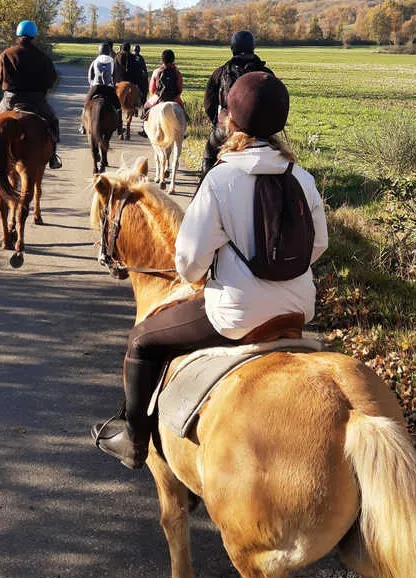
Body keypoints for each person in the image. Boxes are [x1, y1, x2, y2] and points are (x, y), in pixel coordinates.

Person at [91, 71, 329, 469]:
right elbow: (318, 245)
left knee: (142, 341)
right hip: (298, 308)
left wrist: (216, 273)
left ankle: (134, 439)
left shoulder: (220, 179)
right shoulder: (302, 178)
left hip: (235, 315)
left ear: (231, 121)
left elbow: (187, 263)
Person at [201, 29, 273, 177]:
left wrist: (217, 122)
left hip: (228, 126)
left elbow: (209, 103)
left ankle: (204, 180)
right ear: (252, 47)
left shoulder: (220, 72)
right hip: (260, 130)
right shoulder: (266, 73)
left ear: (232, 48)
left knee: (209, 154)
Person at [0, 20, 62, 168]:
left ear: (18, 34)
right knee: (53, 121)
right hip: (36, 100)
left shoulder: (6, 55)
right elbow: (51, 80)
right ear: (33, 36)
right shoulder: (43, 57)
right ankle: (53, 157)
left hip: (10, 100)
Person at [82, 40, 122, 134]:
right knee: (118, 106)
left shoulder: (95, 61)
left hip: (96, 87)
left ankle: (83, 125)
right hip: (108, 88)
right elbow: (115, 76)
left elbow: (90, 76)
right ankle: (120, 127)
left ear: (99, 50)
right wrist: (113, 85)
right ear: (108, 51)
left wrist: (92, 84)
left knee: (86, 104)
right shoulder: (112, 61)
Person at [141, 48, 184, 123]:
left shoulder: (157, 72)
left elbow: (152, 89)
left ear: (162, 59)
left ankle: (144, 126)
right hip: (174, 98)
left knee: (146, 107)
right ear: (173, 59)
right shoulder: (178, 73)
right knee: (183, 113)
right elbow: (180, 89)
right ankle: (185, 128)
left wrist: (156, 96)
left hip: (158, 97)